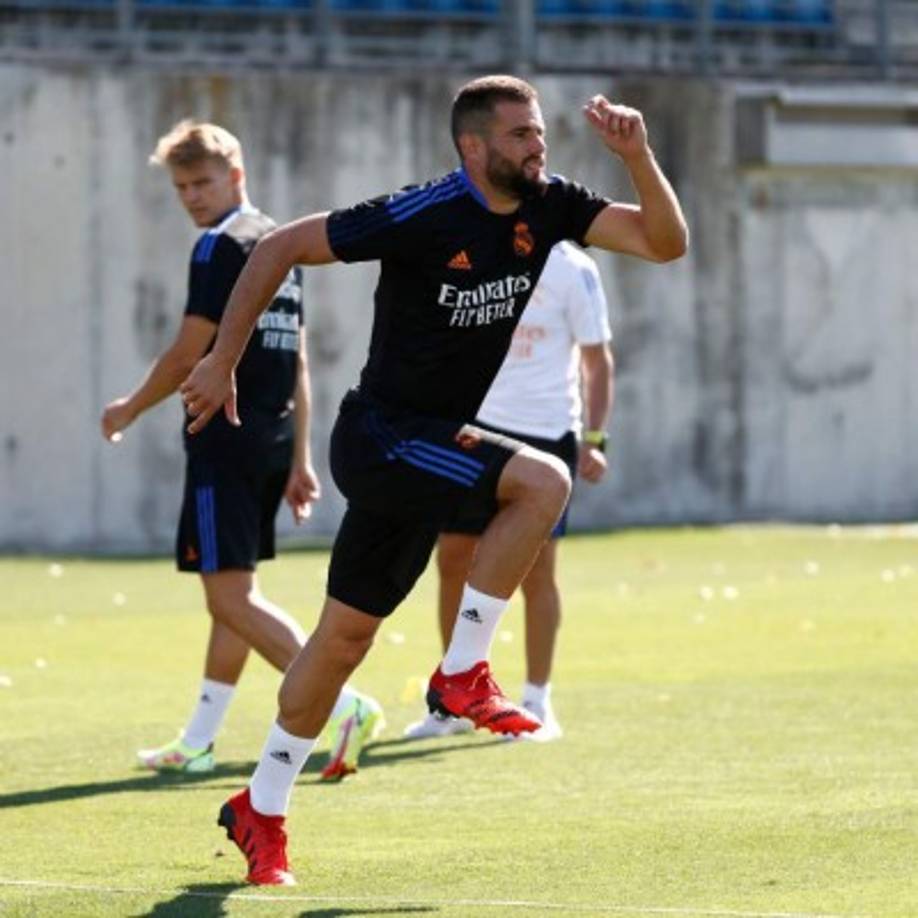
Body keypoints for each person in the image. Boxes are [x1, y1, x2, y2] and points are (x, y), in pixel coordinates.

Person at [179, 76, 688, 886]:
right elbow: (278, 247)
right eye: (520, 134)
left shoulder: (552, 204)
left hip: (427, 447)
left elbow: (664, 243)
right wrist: (221, 360)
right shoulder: (422, 212)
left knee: (341, 641)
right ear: (473, 147)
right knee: (542, 482)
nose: (538, 146)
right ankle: (461, 673)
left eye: (539, 132)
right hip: (381, 438)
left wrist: (638, 156)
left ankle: (260, 807)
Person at [99, 120, 383, 784]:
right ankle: (198, 741)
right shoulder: (277, 243)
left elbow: (188, 352)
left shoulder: (218, 246)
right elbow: (297, 358)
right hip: (268, 440)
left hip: (223, 440)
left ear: (237, 175)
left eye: (203, 182)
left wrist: (129, 407)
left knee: (229, 599)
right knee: (235, 595)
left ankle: (343, 704)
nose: (192, 197)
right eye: (181, 187)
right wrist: (300, 456)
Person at [405, 240, 614, 743]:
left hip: (546, 434)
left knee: (537, 571)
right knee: (453, 559)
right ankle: (453, 701)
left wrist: (595, 439)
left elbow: (597, 359)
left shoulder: (574, 268)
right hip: (473, 432)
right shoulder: (477, 252)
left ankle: (537, 700)